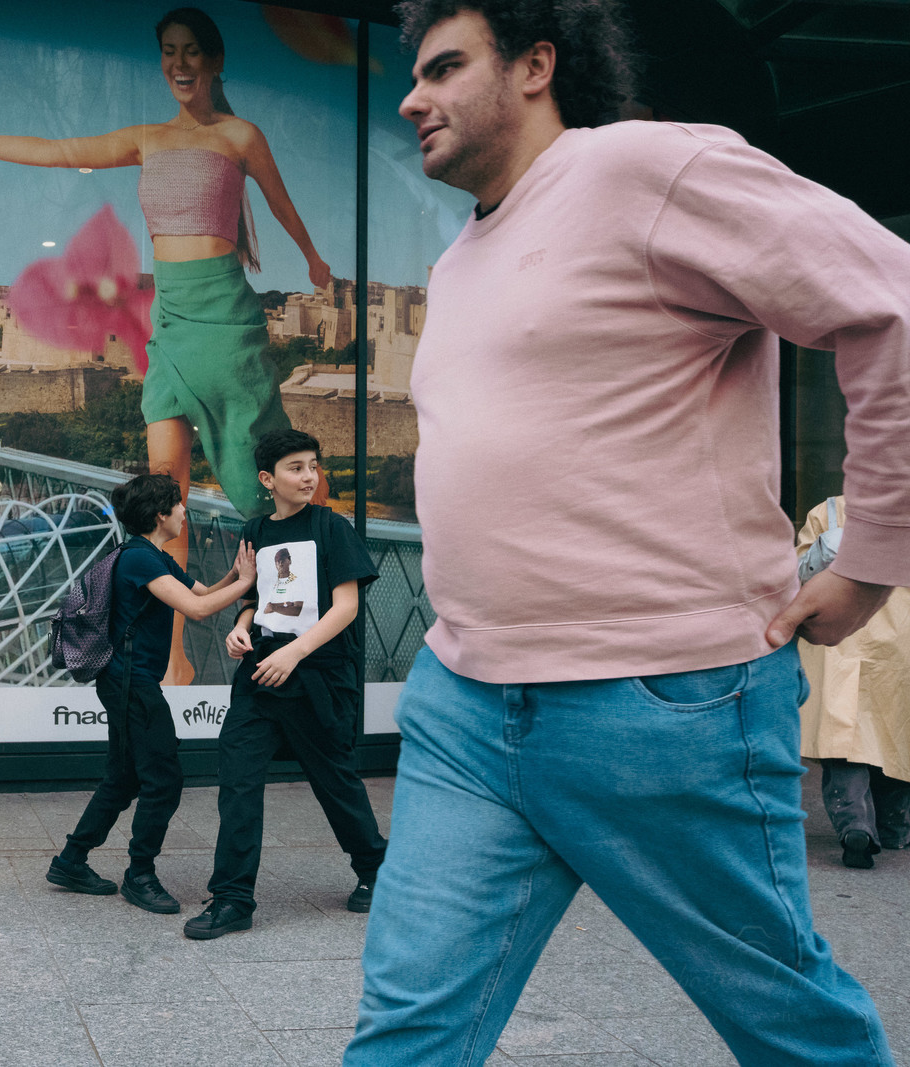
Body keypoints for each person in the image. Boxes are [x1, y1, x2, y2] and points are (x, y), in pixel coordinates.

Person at [345, 2, 910, 1063]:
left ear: (536, 67)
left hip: (661, 698)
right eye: (410, 76)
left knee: (789, 1023)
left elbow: (891, 302)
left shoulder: (646, 170)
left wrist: (875, 554)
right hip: (465, 701)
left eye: (443, 67)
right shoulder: (460, 259)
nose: (411, 97)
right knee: (408, 1029)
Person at [0, 6, 331, 684]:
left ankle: (285, 635)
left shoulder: (240, 135)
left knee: (262, 495)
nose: (180, 64)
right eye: (169, 52)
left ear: (214, 60)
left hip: (227, 324)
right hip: (170, 327)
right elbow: (60, 153)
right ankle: (174, 659)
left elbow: (280, 204)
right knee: (169, 502)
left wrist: (312, 257)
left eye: (192, 51)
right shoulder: (146, 139)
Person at [184, 429, 387, 939]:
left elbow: (347, 607)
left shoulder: (330, 527)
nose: (308, 476)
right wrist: (239, 627)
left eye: (313, 466)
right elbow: (259, 598)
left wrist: (296, 653)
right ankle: (232, 899)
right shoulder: (256, 530)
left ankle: (379, 873)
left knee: (334, 782)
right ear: (267, 479)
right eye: (296, 467)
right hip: (262, 670)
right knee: (238, 782)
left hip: (317, 671)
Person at [46, 473, 257, 913]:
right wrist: (247, 584)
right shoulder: (140, 559)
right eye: (179, 505)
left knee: (123, 778)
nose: (185, 512)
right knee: (163, 779)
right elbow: (198, 610)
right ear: (161, 514)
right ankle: (139, 874)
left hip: (127, 683)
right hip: (131, 684)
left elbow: (203, 592)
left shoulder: (152, 556)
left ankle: (71, 859)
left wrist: (237, 575)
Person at [796, 496, 910, 869]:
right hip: (897, 643)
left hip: (842, 636)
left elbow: (799, 571)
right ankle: (894, 830)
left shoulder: (828, 510)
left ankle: (855, 826)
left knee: (843, 746)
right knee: (893, 741)